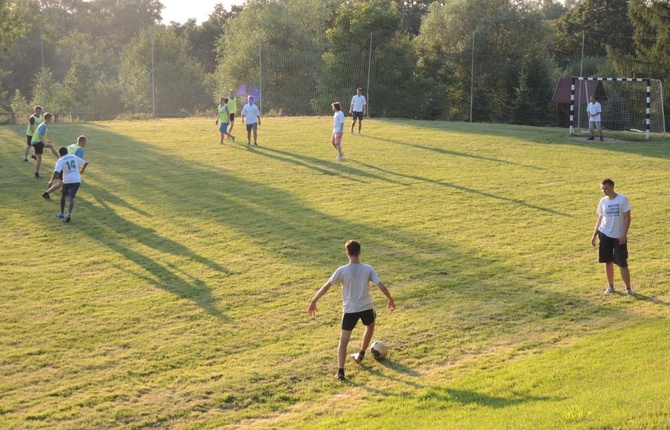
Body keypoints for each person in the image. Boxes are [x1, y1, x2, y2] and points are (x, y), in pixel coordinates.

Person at [308, 240, 395, 381]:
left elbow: (326, 287)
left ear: (347, 253)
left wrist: (313, 301)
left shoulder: (342, 270)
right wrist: (390, 299)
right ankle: (361, 353)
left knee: (343, 341)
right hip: (367, 307)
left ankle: (341, 372)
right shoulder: (368, 269)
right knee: (370, 327)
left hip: (349, 310)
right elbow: (381, 286)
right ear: (360, 252)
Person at [590, 179, 632, 296]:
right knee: (607, 261)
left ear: (612, 187)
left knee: (622, 262)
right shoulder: (603, 201)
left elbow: (627, 218)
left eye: (606, 188)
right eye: (602, 189)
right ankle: (611, 286)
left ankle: (628, 288)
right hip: (604, 234)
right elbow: (600, 218)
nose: (604, 191)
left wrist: (624, 235)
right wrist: (594, 235)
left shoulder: (622, 199)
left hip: (619, 236)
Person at [49, 146, 88, 223]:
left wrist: (51, 180)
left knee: (63, 195)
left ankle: (62, 213)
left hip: (67, 180)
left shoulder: (61, 160)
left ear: (60, 154)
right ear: (67, 152)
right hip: (77, 180)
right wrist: (82, 170)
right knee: (71, 198)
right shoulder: (73, 156)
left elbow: (56, 172)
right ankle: (69, 214)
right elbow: (86, 163)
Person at [43, 135, 87, 200]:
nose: (85, 144)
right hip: (67, 167)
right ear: (82, 142)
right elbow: (78, 161)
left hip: (63, 165)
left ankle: (64, 191)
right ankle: (47, 193)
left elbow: (62, 153)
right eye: (85, 142)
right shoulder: (79, 150)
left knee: (64, 182)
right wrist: (81, 170)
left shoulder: (72, 145)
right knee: (62, 183)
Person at [30, 112, 59, 178]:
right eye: (51, 118)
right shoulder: (43, 125)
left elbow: (41, 135)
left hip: (37, 141)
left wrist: (46, 140)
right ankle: (36, 173)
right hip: (37, 142)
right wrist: (45, 143)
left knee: (50, 145)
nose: (51, 119)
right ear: (48, 118)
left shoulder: (43, 124)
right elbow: (39, 135)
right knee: (39, 158)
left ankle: (59, 157)